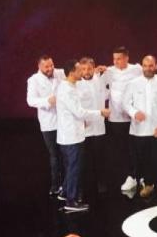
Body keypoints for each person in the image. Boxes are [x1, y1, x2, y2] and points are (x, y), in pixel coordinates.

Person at [56, 60, 111, 212]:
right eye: (80, 70)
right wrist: (100, 112)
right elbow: (79, 112)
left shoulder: (69, 86)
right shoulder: (67, 90)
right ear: (72, 72)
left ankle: (65, 192)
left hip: (72, 135)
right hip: (71, 136)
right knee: (74, 168)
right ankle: (71, 202)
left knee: (71, 167)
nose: (83, 72)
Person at [124, 56, 157, 199]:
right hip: (139, 130)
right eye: (145, 65)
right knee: (144, 159)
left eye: (151, 65)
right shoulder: (133, 84)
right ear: (142, 67)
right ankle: (148, 184)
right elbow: (125, 103)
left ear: (156, 66)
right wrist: (134, 113)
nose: (148, 68)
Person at [101, 47, 142, 192]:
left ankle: (140, 176)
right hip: (116, 119)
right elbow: (98, 86)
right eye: (114, 59)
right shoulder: (109, 71)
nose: (115, 61)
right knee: (122, 150)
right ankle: (129, 177)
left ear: (126, 58)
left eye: (118, 58)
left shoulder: (136, 69)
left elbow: (152, 77)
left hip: (133, 117)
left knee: (136, 148)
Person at [27, 55, 65, 197]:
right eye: (46, 67)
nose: (50, 69)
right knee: (54, 155)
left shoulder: (60, 73)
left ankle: (66, 184)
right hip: (48, 123)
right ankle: (55, 185)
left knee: (65, 154)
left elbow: (74, 70)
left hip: (63, 121)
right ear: (39, 67)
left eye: (51, 65)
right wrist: (48, 101)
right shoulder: (33, 80)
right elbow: (30, 101)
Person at [77, 58, 109, 196]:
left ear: (93, 68)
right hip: (85, 128)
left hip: (99, 127)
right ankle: (85, 187)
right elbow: (76, 106)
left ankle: (101, 184)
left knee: (100, 158)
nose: (86, 72)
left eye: (89, 69)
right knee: (85, 160)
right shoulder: (77, 84)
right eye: (83, 69)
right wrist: (80, 121)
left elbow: (107, 94)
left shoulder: (99, 80)